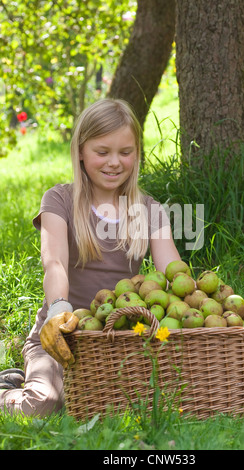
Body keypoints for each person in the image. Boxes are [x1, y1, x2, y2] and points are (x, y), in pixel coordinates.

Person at [0, 98, 181, 417]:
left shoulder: (149, 209)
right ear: (81, 151)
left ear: (136, 154)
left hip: (123, 333)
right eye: (103, 152)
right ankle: (12, 388)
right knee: (43, 405)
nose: (115, 162)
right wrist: (58, 309)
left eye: (125, 152)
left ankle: (24, 378)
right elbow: (54, 262)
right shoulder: (60, 200)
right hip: (61, 333)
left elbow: (172, 273)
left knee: (139, 405)